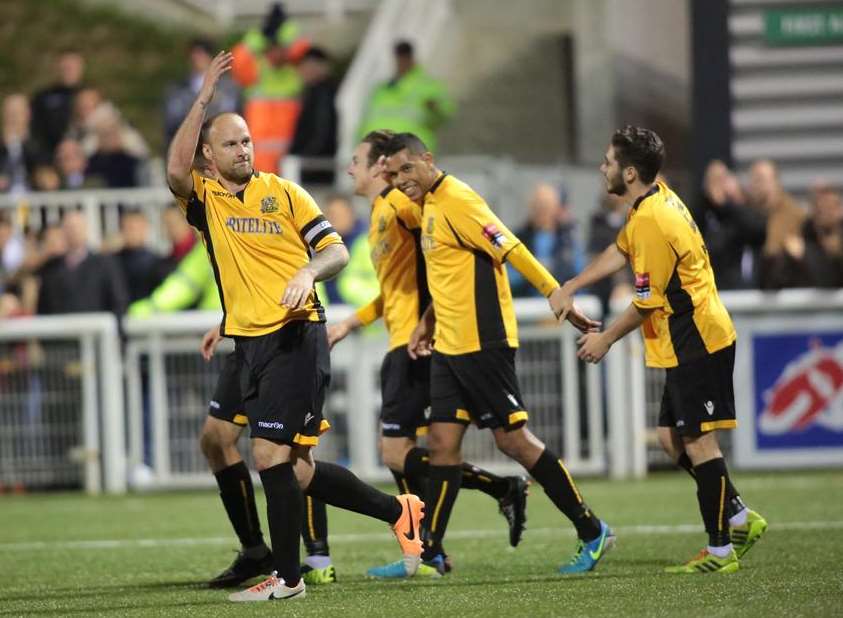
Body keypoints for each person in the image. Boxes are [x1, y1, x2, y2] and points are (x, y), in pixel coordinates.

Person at [166, 51, 424, 602]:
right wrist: (205, 98)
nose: (243, 150)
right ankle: (395, 510)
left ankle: (286, 578)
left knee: (268, 457)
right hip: (248, 342)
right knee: (299, 471)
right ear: (208, 156)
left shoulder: (285, 193)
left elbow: (333, 251)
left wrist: (309, 271)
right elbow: (173, 171)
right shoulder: (206, 199)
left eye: (247, 142)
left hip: (295, 337)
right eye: (230, 144)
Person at [374, 132, 613, 577]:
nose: (401, 180)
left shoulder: (459, 200)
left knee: (513, 441)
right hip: (449, 345)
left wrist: (554, 292)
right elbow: (450, 274)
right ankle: (430, 554)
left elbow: (511, 247)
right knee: (442, 445)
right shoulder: (428, 205)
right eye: (394, 174)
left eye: (408, 168)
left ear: (428, 159)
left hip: (484, 343)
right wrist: (427, 322)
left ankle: (591, 528)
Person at [558, 125, 768, 574]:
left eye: (609, 161)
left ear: (629, 172)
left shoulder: (653, 218)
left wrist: (605, 339)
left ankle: (720, 550)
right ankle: (736, 516)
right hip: (687, 337)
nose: (603, 167)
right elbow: (620, 249)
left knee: (698, 441)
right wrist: (571, 285)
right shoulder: (652, 201)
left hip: (699, 337)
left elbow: (647, 302)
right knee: (671, 438)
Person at [328, 130, 530, 578]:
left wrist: (435, 319)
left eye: (357, 160)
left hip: (417, 345)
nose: (350, 169)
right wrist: (350, 323)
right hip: (399, 341)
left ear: (380, 166)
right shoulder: (381, 214)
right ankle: (433, 542)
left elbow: (445, 249)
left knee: (402, 453)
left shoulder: (401, 206)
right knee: (410, 453)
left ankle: (427, 546)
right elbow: (391, 291)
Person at [231, 2, 309, 173]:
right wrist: (258, 37)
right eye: (271, 47)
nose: (276, 52)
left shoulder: (295, 68)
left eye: (280, 46)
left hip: (292, 158)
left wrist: (285, 33)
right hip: (260, 161)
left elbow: (303, 48)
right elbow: (237, 61)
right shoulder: (258, 69)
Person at [357, 41, 455, 154]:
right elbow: (366, 121)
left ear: (411, 58)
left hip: (412, 153)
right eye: (399, 57)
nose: (401, 61)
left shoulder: (427, 86)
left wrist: (436, 108)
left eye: (405, 56)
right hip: (380, 154)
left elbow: (447, 111)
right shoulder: (381, 89)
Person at [36, 210, 128, 316]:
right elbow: (43, 308)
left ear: (86, 229)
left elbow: (119, 302)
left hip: (96, 329)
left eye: (77, 227)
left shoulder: (105, 264)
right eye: (69, 228)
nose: (74, 232)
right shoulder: (51, 268)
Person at [694, 160, 766, 290]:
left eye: (722, 179)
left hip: (747, 287)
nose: (719, 187)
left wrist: (726, 204)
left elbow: (757, 230)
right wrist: (709, 202)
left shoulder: (741, 209)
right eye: (714, 181)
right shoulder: (703, 214)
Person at [509, 183, 584, 298]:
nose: (541, 211)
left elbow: (578, 273)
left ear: (556, 208)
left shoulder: (568, 239)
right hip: (528, 304)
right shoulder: (518, 238)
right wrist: (534, 270)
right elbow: (509, 276)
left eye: (546, 206)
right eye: (537, 206)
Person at [164, 38, 241, 148]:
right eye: (194, 54)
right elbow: (172, 124)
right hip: (191, 148)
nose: (197, 59)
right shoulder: (178, 90)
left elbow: (236, 117)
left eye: (202, 54)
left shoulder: (228, 89)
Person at [747, 159, 808, 290]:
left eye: (761, 179)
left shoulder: (794, 214)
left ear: (776, 181)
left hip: (783, 290)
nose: (757, 185)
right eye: (754, 180)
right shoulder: (746, 213)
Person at [289, 47, 338, 185]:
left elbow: (321, 133)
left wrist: (305, 159)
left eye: (305, 65)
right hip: (315, 166)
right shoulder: (316, 93)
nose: (301, 71)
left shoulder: (322, 94)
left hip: (315, 169)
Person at [321, 194, 379, 307]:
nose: (331, 220)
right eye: (328, 215)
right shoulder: (320, 246)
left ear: (351, 214)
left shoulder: (367, 244)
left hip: (364, 315)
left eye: (336, 215)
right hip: (331, 316)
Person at [30, 49, 85, 153]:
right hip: (51, 153)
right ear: (57, 68)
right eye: (65, 67)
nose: (69, 71)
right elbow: (34, 129)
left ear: (81, 68)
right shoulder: (43, 97)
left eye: (72, 67)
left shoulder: (91, 96)